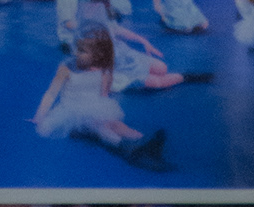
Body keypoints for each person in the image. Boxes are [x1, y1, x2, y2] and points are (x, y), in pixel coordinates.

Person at [32, 32, 166, 170]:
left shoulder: (102, 68)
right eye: (78, 50)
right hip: (72, 110)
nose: (78, 54)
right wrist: (40, 115)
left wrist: (103, 111)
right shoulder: (66, 68)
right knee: (100, 126)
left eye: (84, 52)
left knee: (115, 124)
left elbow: (103, 93)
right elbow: (51, 93)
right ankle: (129, 149)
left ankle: (145, 142)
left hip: (93, 105)